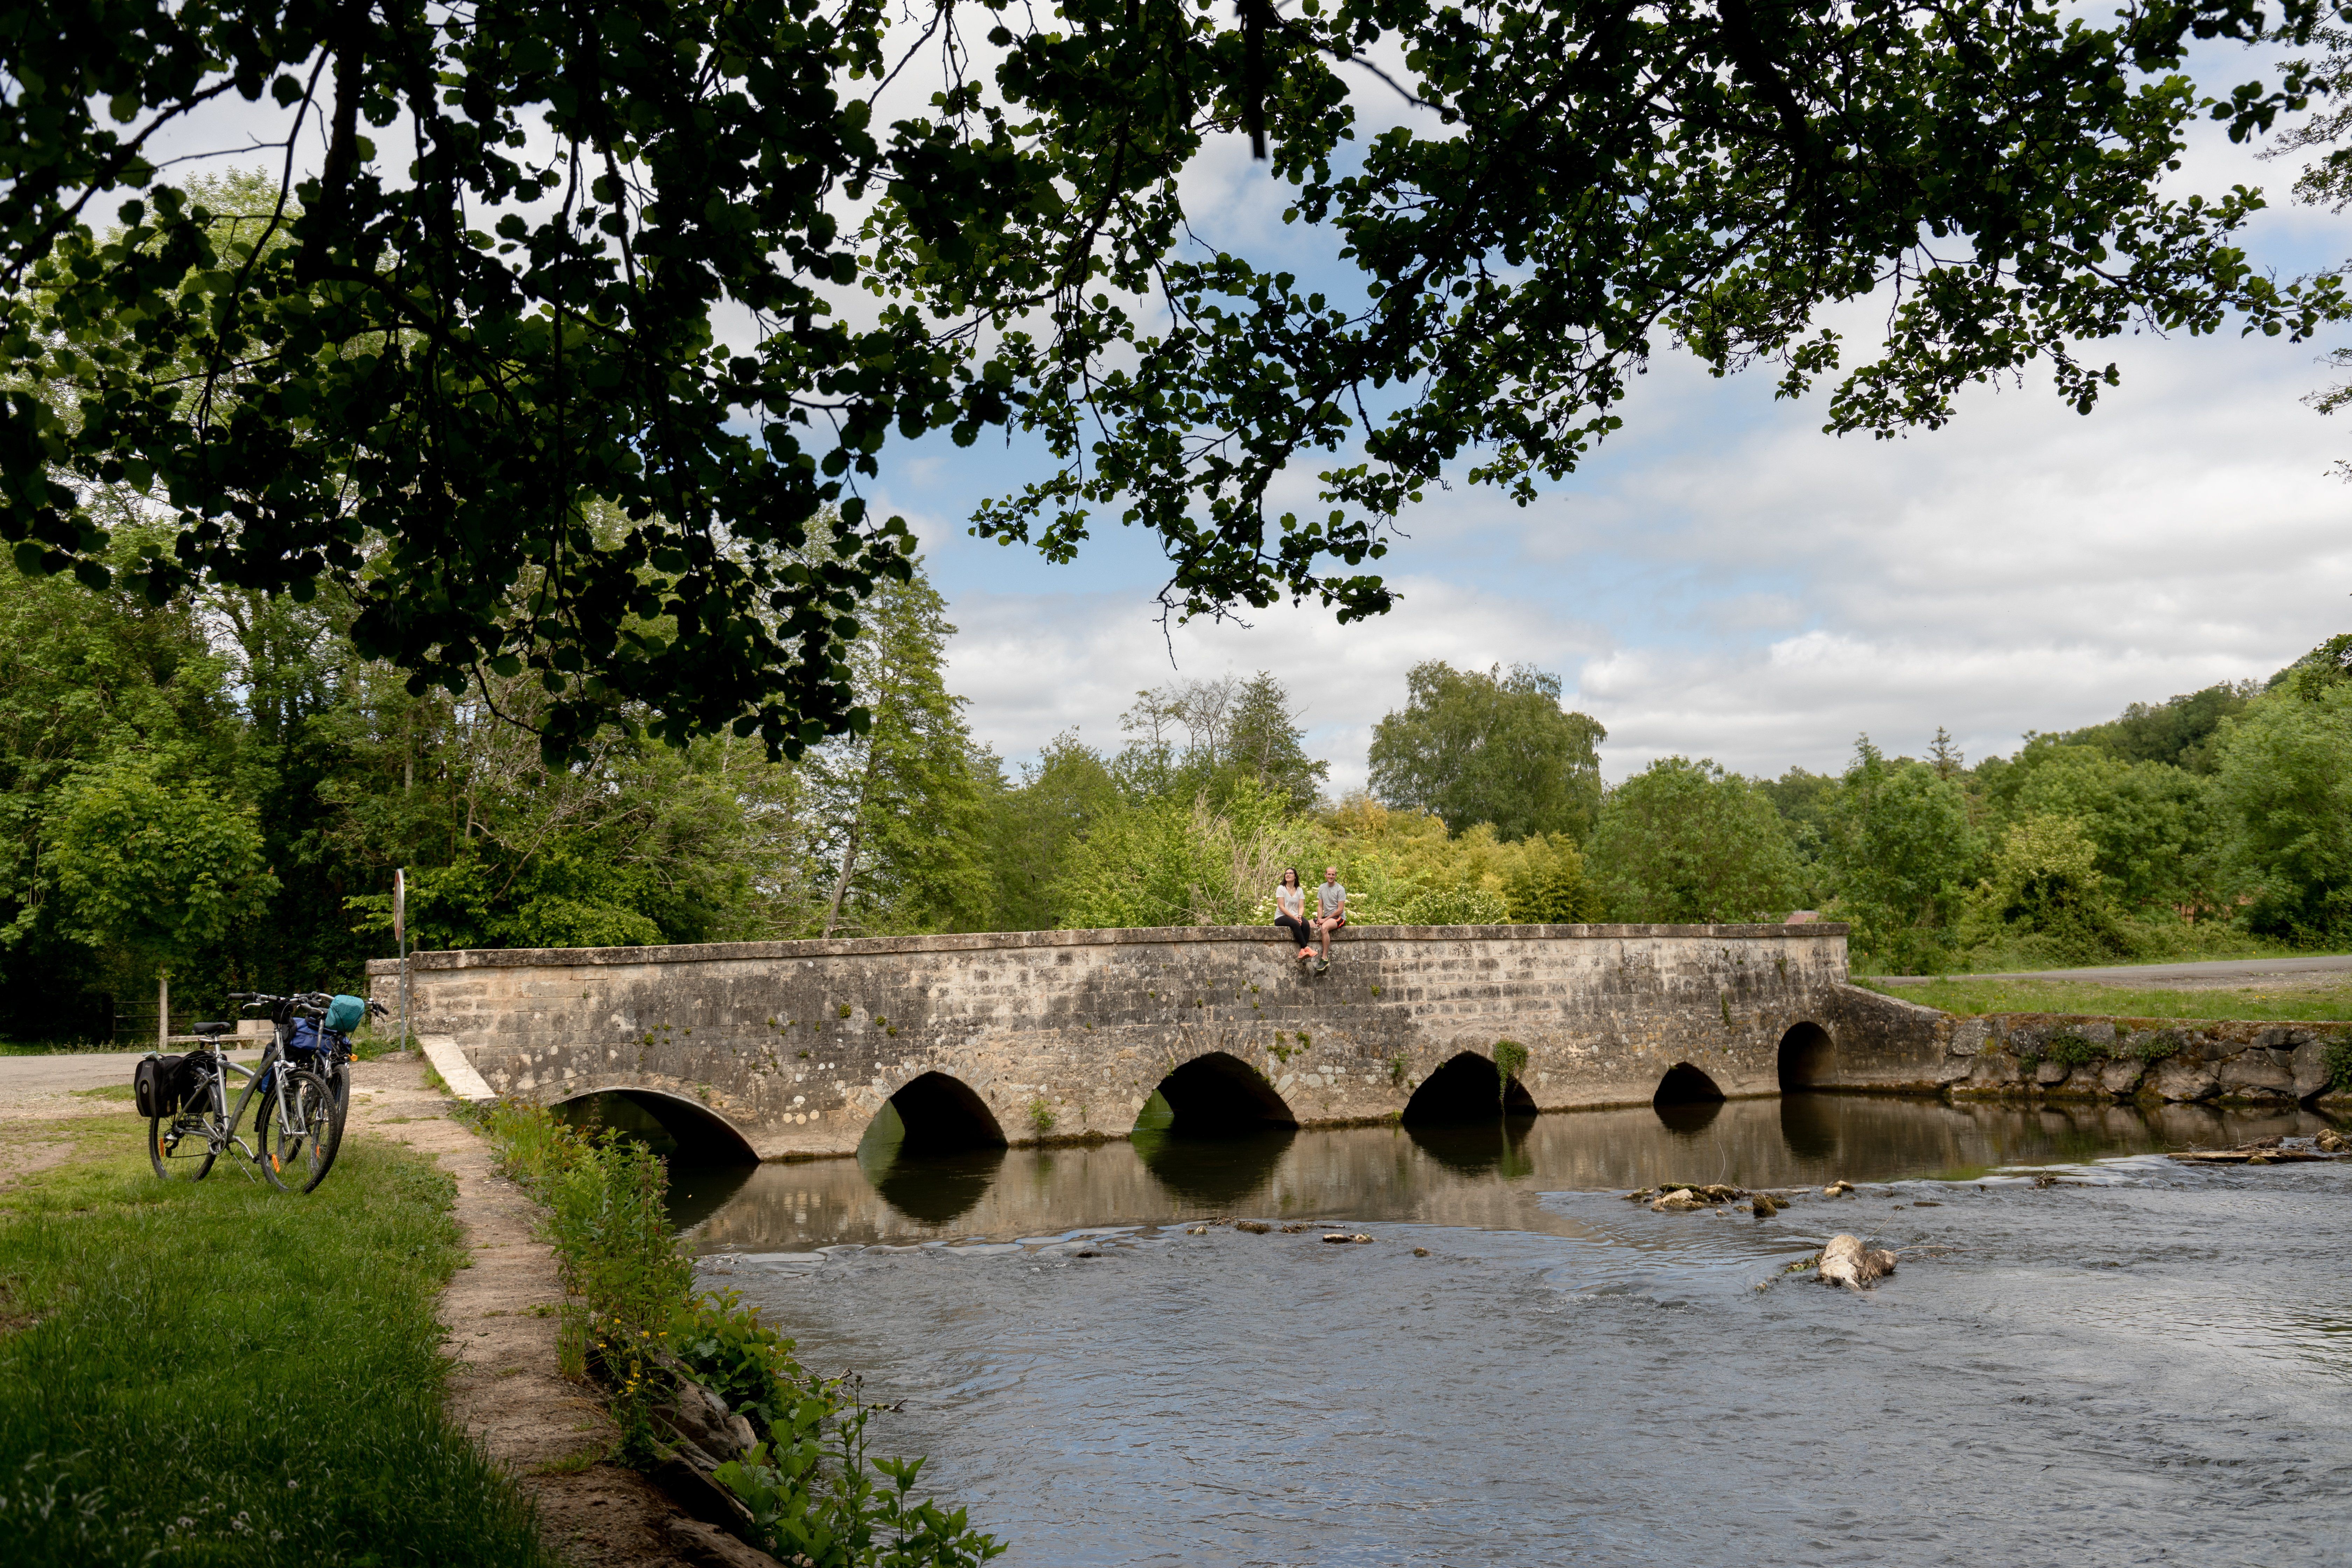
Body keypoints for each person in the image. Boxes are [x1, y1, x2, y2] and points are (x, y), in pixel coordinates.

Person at [1310, 865, 1348, 973]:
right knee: (1306, 925)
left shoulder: (1340, 889)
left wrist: (1324, 921)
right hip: (1326, 917)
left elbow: (1340, 910)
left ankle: (1325, 959)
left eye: (1333, 875)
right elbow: (1320, 906)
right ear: (1325, 875)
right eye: (1329, 874)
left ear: (1336, 876)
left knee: (1324, 928)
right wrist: (1319, 919)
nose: (1331, 876)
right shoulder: (1322, 887)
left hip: (1339, 917)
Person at [1273, 868, 1312, 959]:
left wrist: (1299, 916)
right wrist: (1294, 918)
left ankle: (1302, 952)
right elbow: (1281, 907)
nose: (1288, 875)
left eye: (1291, 873)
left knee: (1306, 924)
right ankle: (1306, 948)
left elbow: (1301, 907)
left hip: (1295, 917)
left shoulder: (1299, 890)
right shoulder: (1281, 888)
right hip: (1281, 917)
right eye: (1287, 873)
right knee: (1295, 924)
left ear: (1295, 877)